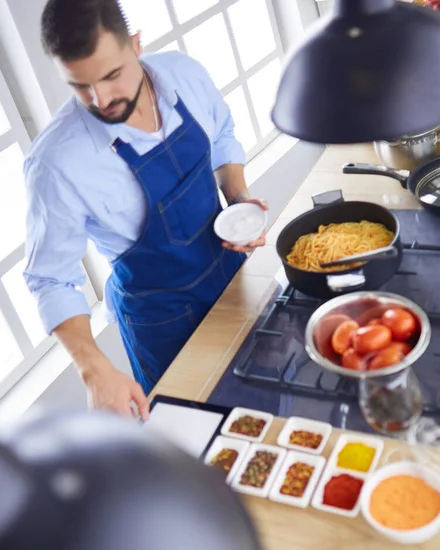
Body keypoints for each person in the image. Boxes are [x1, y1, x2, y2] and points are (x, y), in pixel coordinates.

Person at [23, 0, 267, 420]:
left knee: (266, 400)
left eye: (111, 75)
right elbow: (50, 281)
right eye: (80, 86)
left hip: (232, 279)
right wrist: (94, 370)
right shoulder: (56, 162)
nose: (100, 99)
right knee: (198, 432)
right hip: (161, 321)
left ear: (135, 45)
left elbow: (222, 132)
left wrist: (239, 200)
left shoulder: (183, 75)